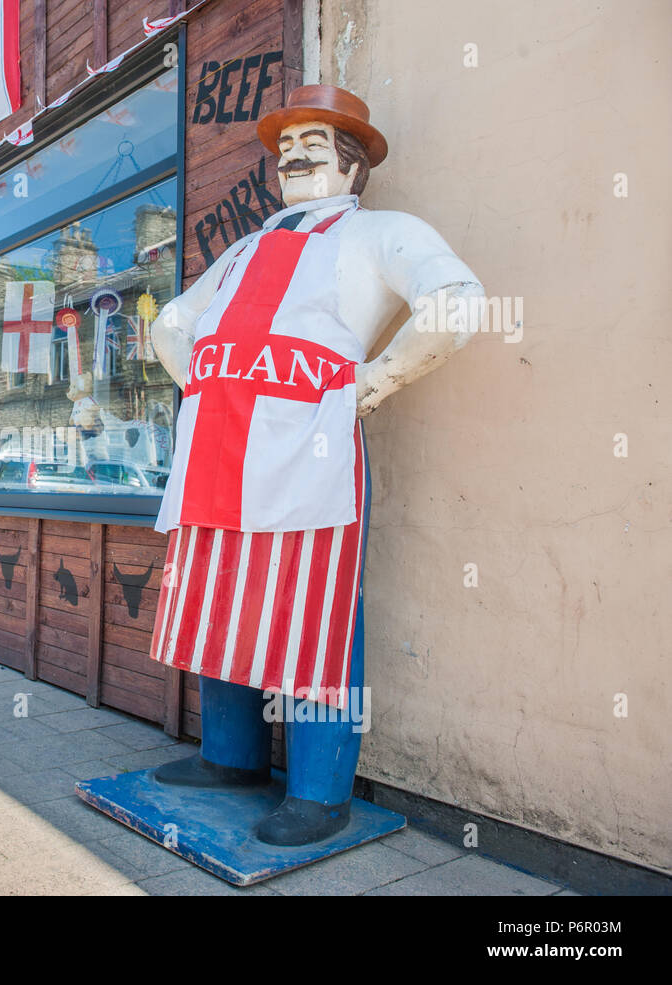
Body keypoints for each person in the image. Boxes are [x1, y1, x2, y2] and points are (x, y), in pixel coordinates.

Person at [147, 85, 485, 846]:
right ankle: (230, 755)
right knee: (221, 596)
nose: (292, 155)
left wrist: (375, 380)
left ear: (353, 162)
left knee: (313, 609)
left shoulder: (382, 234)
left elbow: (459, 299)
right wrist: (209, 388)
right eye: (284, 145)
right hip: (217, 448)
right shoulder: (243, 249)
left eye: (312, 143)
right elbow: (174, 323)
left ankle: (319, 788)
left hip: (311, 447)